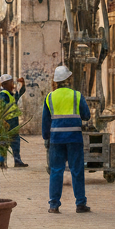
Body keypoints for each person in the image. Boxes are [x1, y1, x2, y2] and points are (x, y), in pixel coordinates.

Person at [42, 65, 91, 212]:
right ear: (69, 79)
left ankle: (54, 205)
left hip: (56, 139)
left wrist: (46, 138)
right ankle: (80, 204)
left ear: (56, 81)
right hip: (74, 138)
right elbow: (86, 115)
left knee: (56, 171)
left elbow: (45, 121)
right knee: (77, 170)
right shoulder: (76, 95)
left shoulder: (50, 97)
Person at [0, 74, 28, 168]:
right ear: (5, 84)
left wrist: (22, 84)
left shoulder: (10, 94)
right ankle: (2, 162)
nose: (13, 84)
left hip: (13, 122)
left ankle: (17, 161)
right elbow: (1, 107)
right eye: (11, 82)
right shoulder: (3, 94)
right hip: (7, 121)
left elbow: (19, 93)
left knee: (15, 142)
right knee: (4, 142)